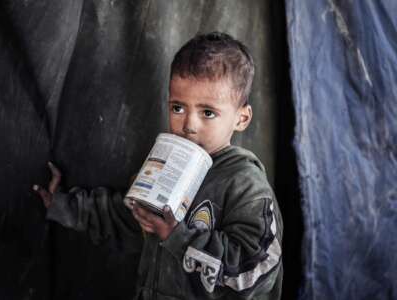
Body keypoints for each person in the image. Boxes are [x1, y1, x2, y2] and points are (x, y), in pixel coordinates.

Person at [34, 32, 283, 300]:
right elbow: (128, 219)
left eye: (207, 112)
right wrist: (62, 205)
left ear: (242, 118)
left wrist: (178, 236)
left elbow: (255, 271)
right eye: (178, 107)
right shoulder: (167, 165)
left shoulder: (245, 183)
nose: (189, 124)